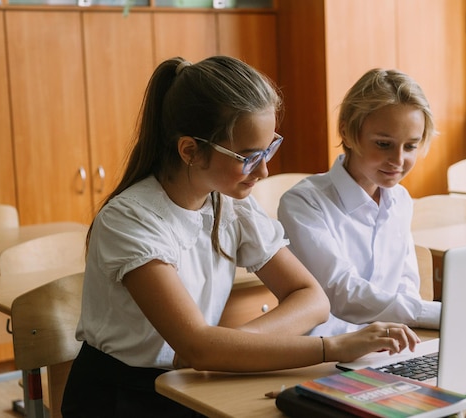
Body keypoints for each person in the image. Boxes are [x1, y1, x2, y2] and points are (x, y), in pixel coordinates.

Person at [61, 56, 420, 417]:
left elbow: (312, 299)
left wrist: (232, 346)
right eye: (248, 157)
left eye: (269, 149)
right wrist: (334, 347)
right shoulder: (130, 220)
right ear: (190, 150)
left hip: (194, 379)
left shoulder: (229, 204)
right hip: (124, 397)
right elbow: (199, 349)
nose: (264, 170)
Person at [278, 68, 442, 338]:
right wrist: (441, 315)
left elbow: (405, 284)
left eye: (410, 146)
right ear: (347, 131)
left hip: (388, 346)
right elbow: (342, 293)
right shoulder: (304, 202)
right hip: (323, 355)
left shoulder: (400, 200)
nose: (398, 160)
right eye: (384, 144)